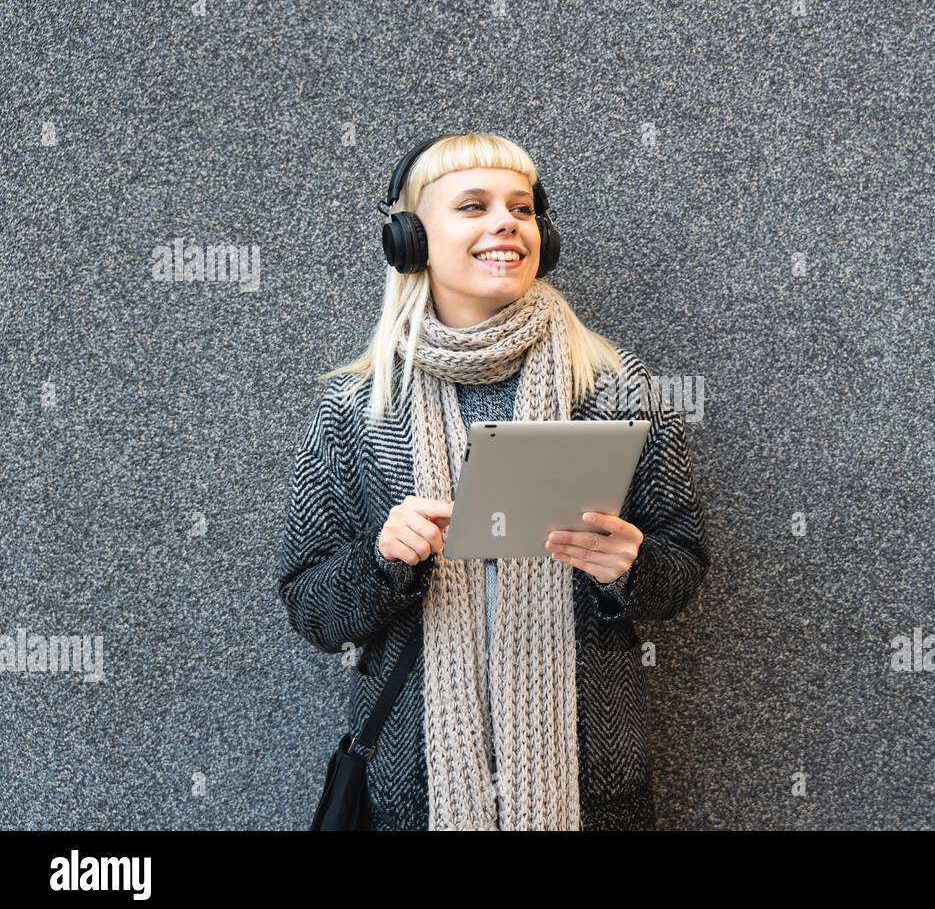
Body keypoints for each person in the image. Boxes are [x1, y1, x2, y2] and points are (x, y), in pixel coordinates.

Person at [277, 132, 710, 830]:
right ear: (410, 240)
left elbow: (682, 570)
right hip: (416, 791)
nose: (506, 223)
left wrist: (632, 568)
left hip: (589, 786)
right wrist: (382, 560)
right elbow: (311, 606)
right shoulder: (357, 406)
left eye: (522, 208)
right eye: (473, 206)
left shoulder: (617, 387)